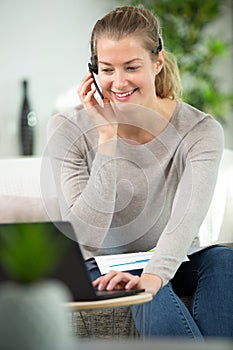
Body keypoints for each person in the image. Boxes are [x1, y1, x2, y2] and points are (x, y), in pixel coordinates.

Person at [47, 5, 233, 340]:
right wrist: (107, 140)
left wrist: (152, 275)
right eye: (107, 69)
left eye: (131, 67)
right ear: (93, 71)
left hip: (172, 256)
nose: (118, 82)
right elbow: (84, 236)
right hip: (102, 266)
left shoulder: (199, 130)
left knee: (222, 260)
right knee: (147, 290)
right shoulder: (66, 129)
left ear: (157, 61)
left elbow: (185, 221)